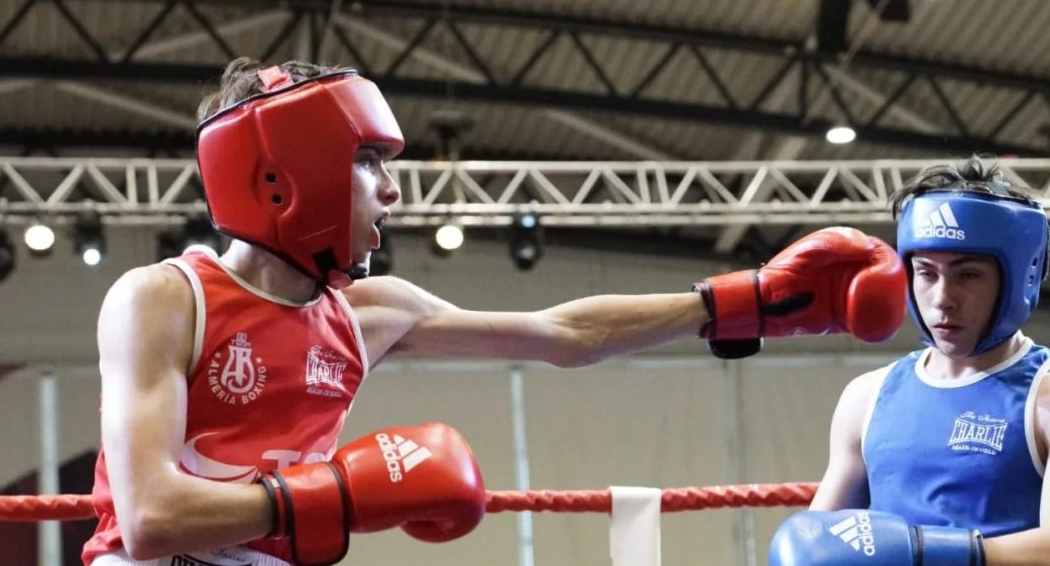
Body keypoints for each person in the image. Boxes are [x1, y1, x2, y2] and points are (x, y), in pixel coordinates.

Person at [82, 58, 909, 566]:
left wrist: (741, 300)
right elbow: (152, 518)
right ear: (284, 175)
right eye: (368, 162)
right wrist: (335, 492)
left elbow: (563, 333)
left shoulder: (366, 313)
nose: (394, 190)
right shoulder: (163, 299)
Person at [768, 156, 1050, 566]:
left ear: (1021, 276)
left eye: (968, 275)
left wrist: (918, 551)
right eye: (927, 273)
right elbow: (818, 541)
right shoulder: (867, 396)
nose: (942, 298)